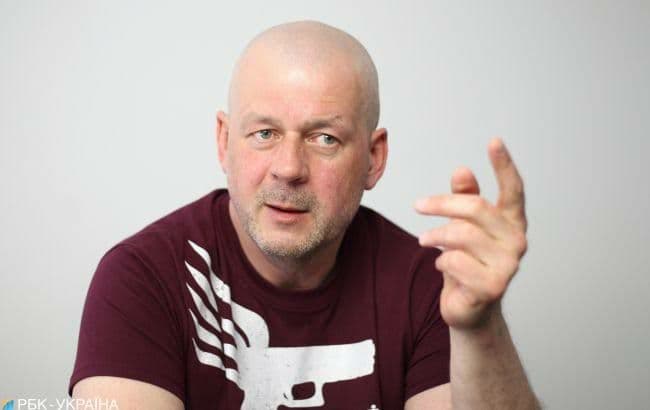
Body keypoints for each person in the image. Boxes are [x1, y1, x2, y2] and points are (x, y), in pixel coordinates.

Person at [69, 20, 540, 409]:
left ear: (373, 158)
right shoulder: (142, 278)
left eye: (324, 139)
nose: (289, 168)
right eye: (264, 133)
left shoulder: (431, 286)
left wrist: (479, 328)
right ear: (224, 142)